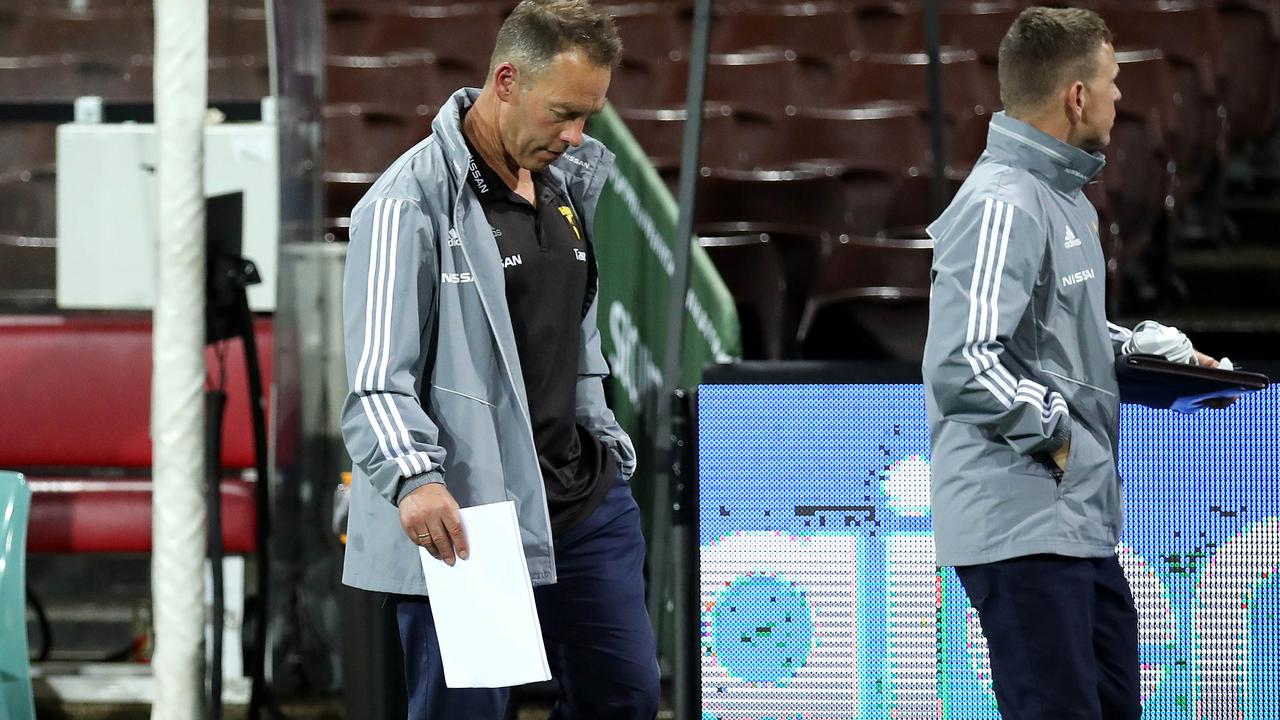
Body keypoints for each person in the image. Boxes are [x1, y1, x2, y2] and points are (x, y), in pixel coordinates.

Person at [338, 1, 660, 717]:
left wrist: (605, 440)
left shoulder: (565, 186)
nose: (576, 136)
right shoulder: (405, 202)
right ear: (507, 80)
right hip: (471, 518)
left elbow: (574, 337)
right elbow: (374, 382)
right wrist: (415, 479)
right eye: (563, 113)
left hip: (583, 502)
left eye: (589, 119)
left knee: (628, 698)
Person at [922, 7, 1223, 719]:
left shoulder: (1062, 201)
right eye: (1114, 83)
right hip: (1022, 520)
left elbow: (1059, 333)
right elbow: (962, 361)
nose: (1123, 100)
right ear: (1077, 96)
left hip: (1072, 522)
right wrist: (1056, 437)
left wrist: (1160, 356)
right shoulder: (1003, 202)